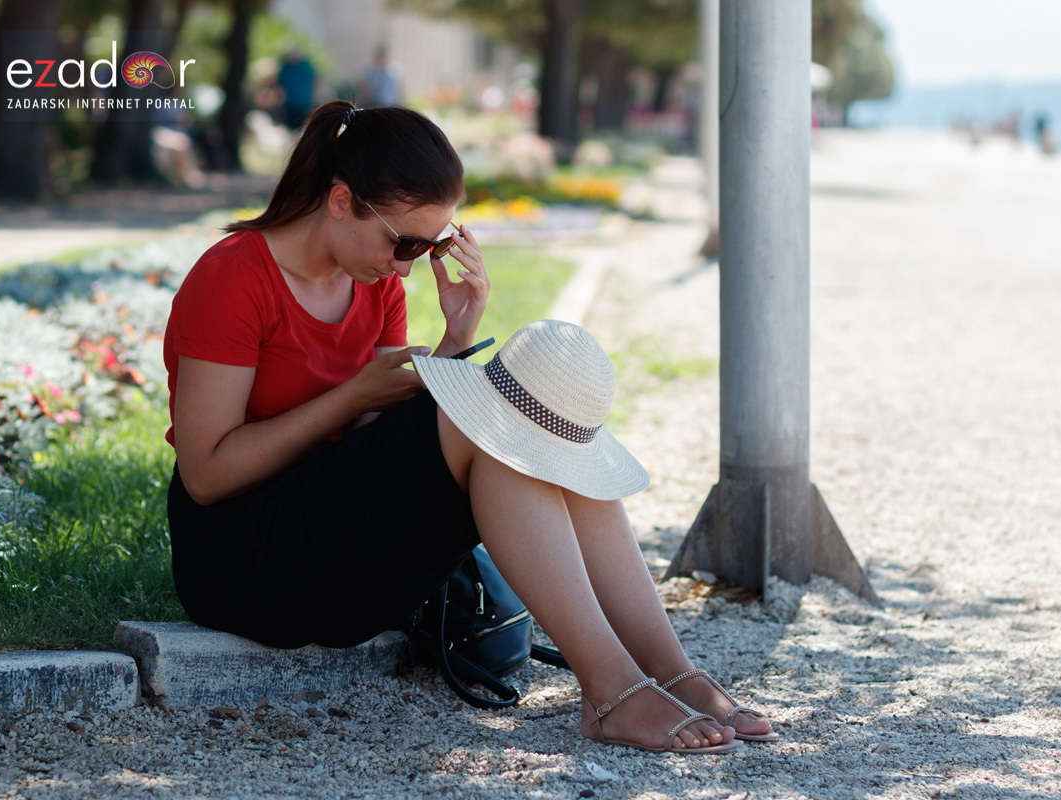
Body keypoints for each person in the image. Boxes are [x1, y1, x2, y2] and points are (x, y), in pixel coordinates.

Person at [162, 99, 774, 753]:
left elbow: (374, 446)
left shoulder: (374, 285)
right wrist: (349, 399)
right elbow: (206, 475)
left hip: (337, 544)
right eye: (403, 242)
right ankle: (612, 689)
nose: (406, 266)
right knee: (488, 427)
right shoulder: (234, 277)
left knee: (527, 412)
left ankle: (667, 670)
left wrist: (455, 342)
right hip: (243, 562)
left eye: (428, 246)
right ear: (341, 201)